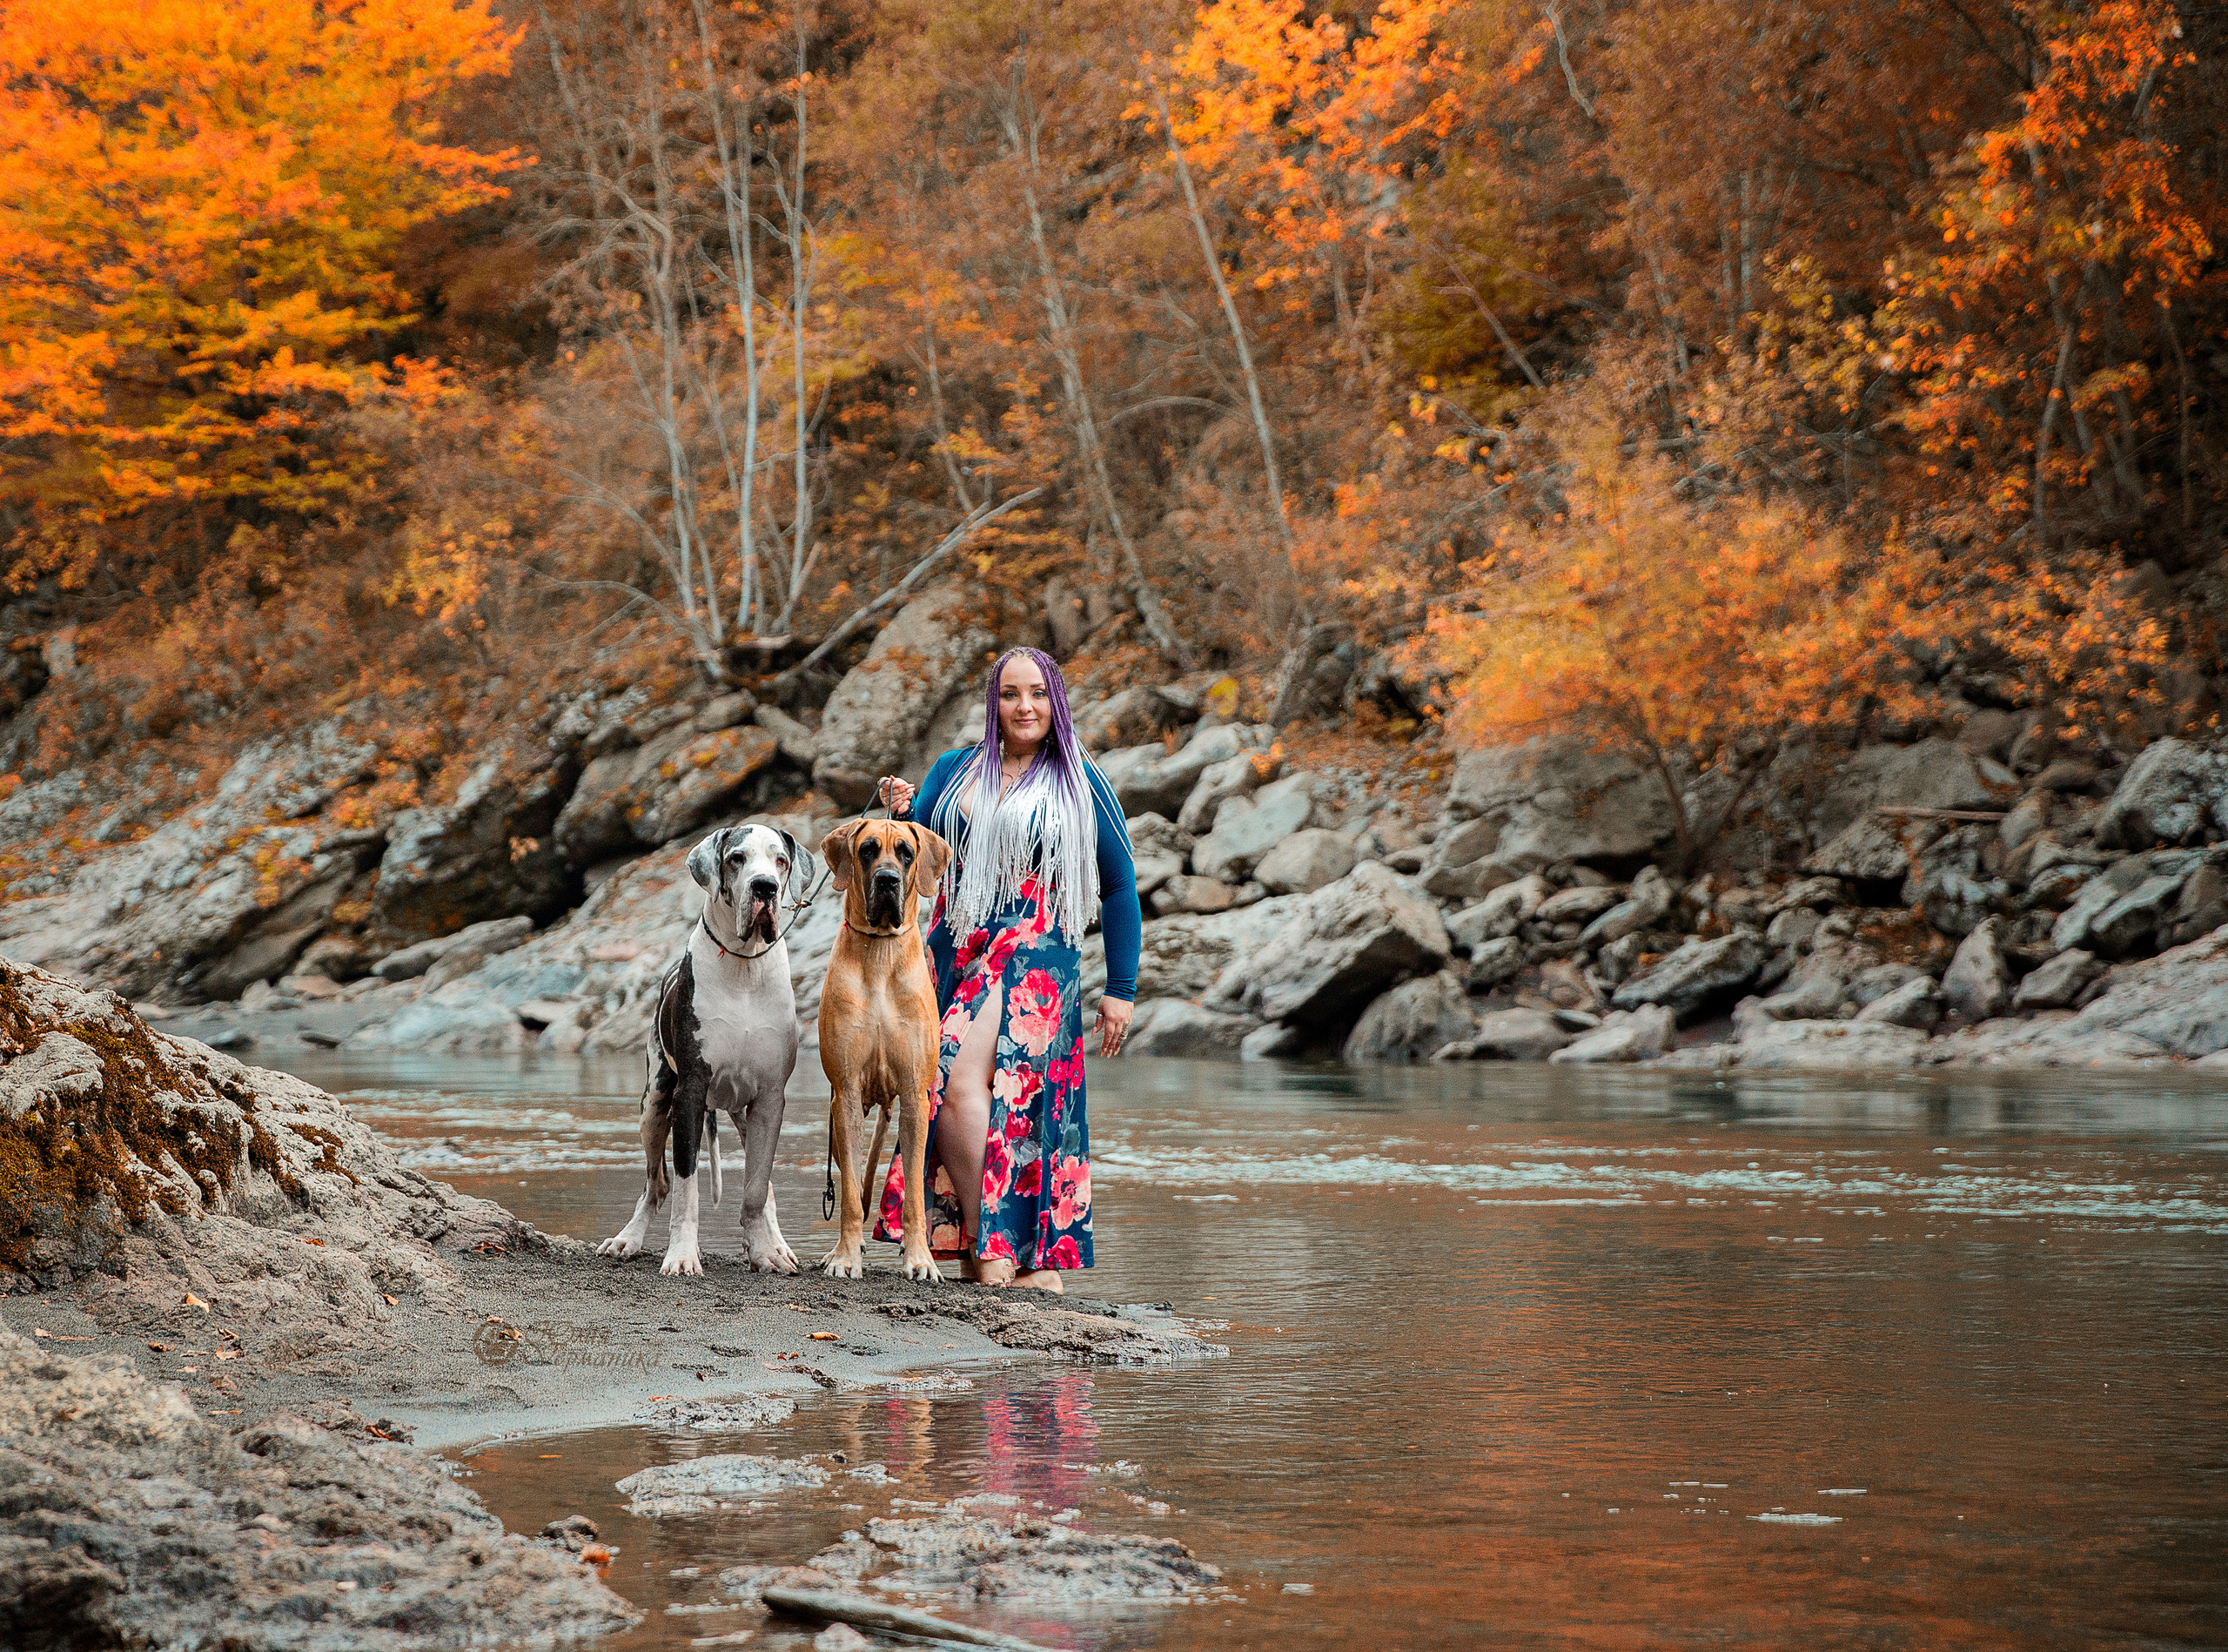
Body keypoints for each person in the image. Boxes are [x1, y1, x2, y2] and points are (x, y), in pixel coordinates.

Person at [870, 647, 1140, 1291]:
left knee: (972, 1080)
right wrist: (900, 810)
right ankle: (996, 1253)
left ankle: (996, 1250)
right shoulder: (954, 770)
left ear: (1057, 703)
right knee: (947, 1091)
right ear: (993, 703)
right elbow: (920, 854)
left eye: (1038, 694)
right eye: (1011, 694)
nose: (1025, 707)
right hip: (950, 949)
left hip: (1035, 954)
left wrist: (1121, 989)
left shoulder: (1080, 780)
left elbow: (1120, 886)